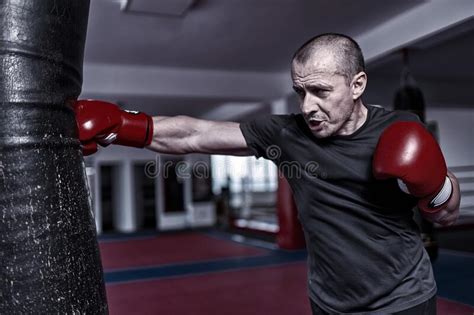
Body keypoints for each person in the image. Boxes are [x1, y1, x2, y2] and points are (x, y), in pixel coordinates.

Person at [72, 33, 460, 314]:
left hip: (402, 299)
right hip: (330, 302)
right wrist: (123, 125)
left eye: (321, 91)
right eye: (299, 92)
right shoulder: (289, 133)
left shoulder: (400, 130)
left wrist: (437, 186)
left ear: (357, 84)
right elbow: (196, 133)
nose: (308, 106)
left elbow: (445, 212)